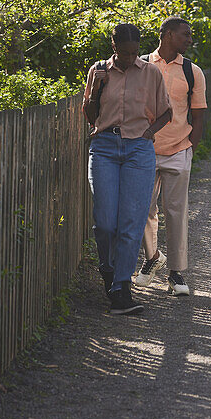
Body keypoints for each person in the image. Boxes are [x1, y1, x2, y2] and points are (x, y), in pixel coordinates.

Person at [83, 23, 172, 315]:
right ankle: (108, 269)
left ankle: (121, 287)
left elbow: (166, 112)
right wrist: (96, 86)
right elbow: (90, 115)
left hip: (138, 150)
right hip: (105, 147)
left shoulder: (151, 73)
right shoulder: (99, 70)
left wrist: (149, 133)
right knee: (106, 222)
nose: (130, 58)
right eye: (124, 53)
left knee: (131, 222)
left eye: (135, 53)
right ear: (114, 48)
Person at [133, 17, 208, 296]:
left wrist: (191, 147)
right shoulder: (141, 65)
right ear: (166, 34)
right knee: (143, 209)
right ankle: (151, 258)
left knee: (176, 212)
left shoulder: (192, 71)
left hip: (179, 148)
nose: (189, 40)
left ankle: (176, 274)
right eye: (185, 35)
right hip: (142, 150)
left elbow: (198, 114)